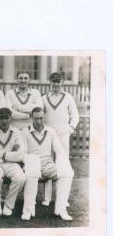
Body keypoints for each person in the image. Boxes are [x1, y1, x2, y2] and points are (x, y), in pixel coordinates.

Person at [21, 107, 74, 221]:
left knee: (67, 174)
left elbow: (59, 151)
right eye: (36, 119)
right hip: (32, 164)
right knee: (32, 173)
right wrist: (30, 163)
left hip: (48, 165)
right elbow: (23, 153)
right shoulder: (25, 132)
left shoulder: (51, 131)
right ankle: (28, 210)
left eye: (41, 118)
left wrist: (63, 165)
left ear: (43, 117)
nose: (39, 121)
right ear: (31, 118)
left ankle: (61, 209)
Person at [42, 72, 79, 206]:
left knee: (63, 165)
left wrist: (70, 129)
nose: (56, 84)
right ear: (50, 82)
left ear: (62, 82)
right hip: (48, 136)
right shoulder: (44, 98)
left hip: (63, 135)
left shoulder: (68, 97)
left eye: (58, 82)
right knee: (47, 163)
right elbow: (39, 115)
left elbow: (75, 115)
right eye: (53, 81)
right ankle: (47, 198)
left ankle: (63, 199)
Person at [0, 108, 26, 216]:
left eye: (7, 118)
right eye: (1, 118)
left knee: (20, 178)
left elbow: (20, 155)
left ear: (11, 118)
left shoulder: (17, 133)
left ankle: (9, 204)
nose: (4, 121)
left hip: (12, 164)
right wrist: (10, 155)